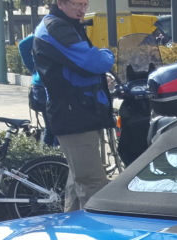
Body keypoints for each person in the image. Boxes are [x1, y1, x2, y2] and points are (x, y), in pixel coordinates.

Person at [33, 0, 115, 211]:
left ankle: (72, 230)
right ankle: (100, 237)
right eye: (78, 4)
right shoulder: (56, 28)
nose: (82, 10)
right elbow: (95, 61)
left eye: (85, 4)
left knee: (77, 181)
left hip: (79, 112)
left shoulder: (62, 25)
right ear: (60, 3)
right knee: (93, 183)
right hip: (75, 114)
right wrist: (108, 54)